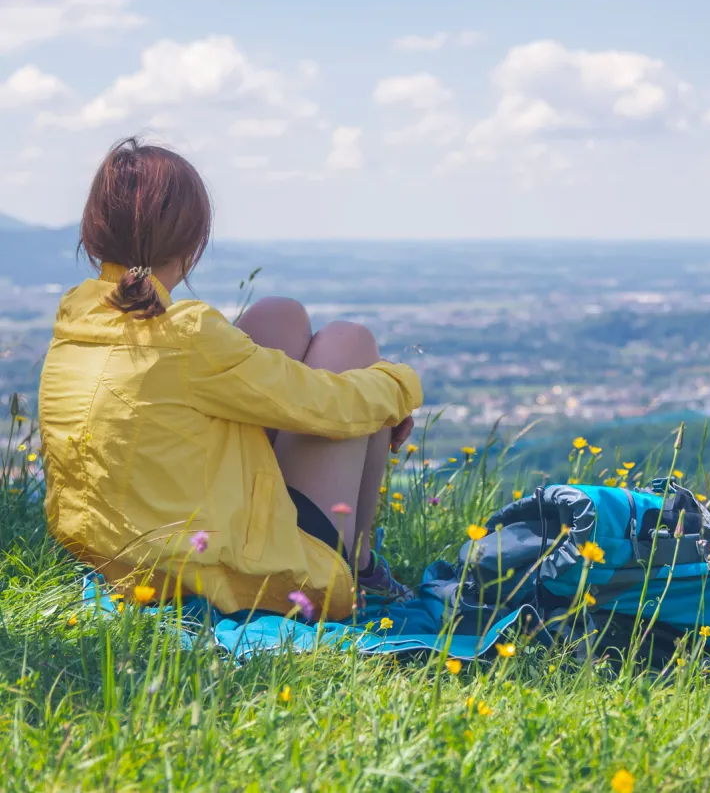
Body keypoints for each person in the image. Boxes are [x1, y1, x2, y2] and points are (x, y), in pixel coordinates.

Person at [39, 137, 423, 621]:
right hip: (224, 573)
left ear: (94, 233)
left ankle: (359, 563)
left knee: (279, 316)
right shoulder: (187, 337)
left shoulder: (75, 320)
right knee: (351, 342)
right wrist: (399, 386)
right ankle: (360, 571)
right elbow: (333, 408)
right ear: (192, 241)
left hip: (121, 561)